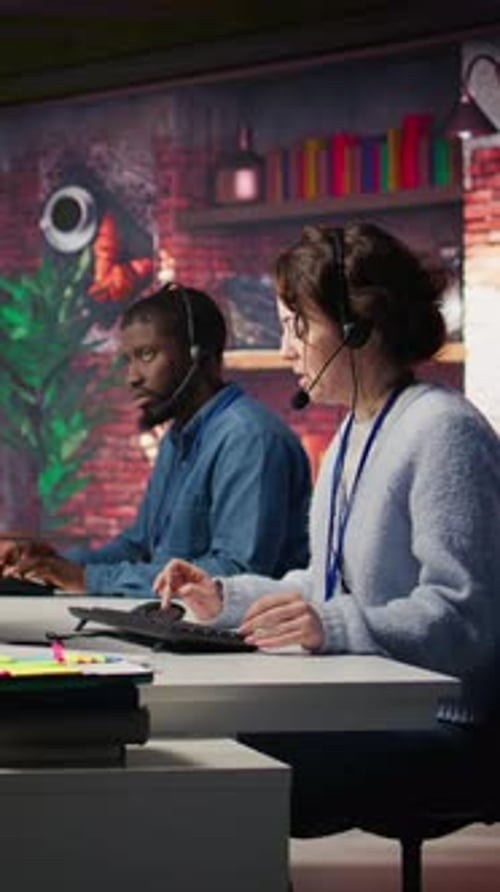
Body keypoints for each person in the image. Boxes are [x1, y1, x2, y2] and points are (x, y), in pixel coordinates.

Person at [153, 223, 500, 836]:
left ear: (356, 329)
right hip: (370, 701)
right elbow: (322, 583)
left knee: (222, 766)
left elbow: (465, 618)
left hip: (445, 722)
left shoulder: (444, 431)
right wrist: (224, 599)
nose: (288, 348)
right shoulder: (349, 437)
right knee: (200, 748)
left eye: (298, 326)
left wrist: (336, 625)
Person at [0, 282, 311, 595]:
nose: (132, 377)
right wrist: (52, 564)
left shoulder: (249, 440)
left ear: (197, 354)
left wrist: (87, 579)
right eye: (129, 360)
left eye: (146, 355)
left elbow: (234, 576)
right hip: (182, 627)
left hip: (240, 638)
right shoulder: (178, 437)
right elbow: (139, 546)